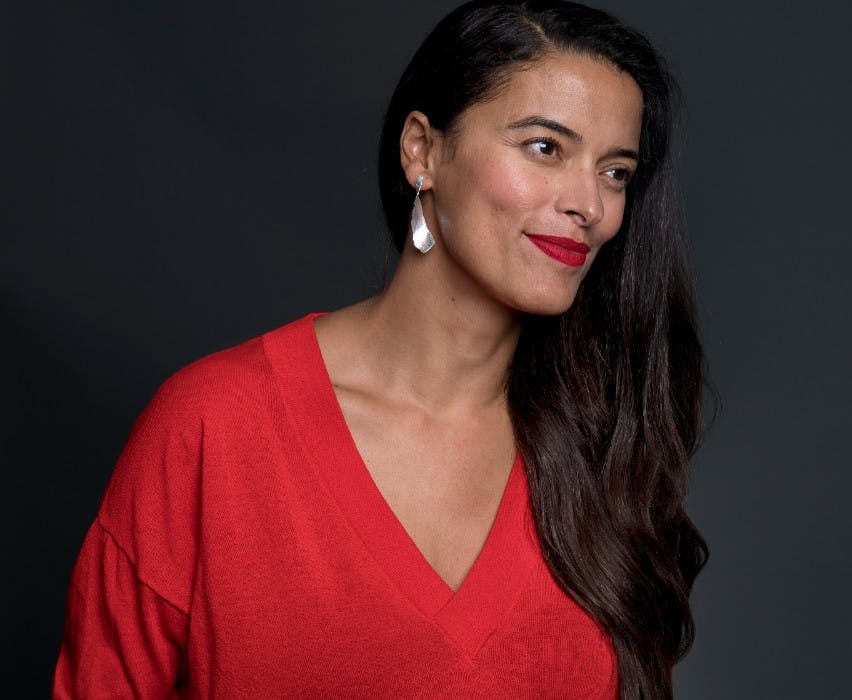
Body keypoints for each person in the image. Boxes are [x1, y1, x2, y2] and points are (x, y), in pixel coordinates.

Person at [53, 1, 708, 697]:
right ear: (422, 150)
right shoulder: (214, 428)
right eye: (546, 148)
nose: (590, 206)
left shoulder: (608, 445)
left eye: (615, 172)